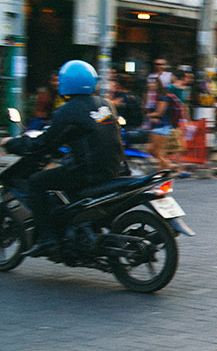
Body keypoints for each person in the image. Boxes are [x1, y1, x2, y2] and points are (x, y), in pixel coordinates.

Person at [0, 60, 124, 255]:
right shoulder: (105, 104)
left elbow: (41, 144)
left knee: (36, 182)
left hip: (87, 172)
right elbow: (86, 133)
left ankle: (48, 239)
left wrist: (10, 143)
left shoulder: (68, 110)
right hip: (114, 168)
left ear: (66, 83)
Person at [148, 72, 187, 173]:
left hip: (162, 127)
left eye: (153, 83)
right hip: (158, 126)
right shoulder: (155, 96)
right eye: (149, 83)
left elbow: (160, 113)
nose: (150, 85)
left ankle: (168, 166)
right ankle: (163, 169)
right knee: (153, 150)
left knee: (156, 151)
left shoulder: (162, 97)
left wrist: (147, 115)